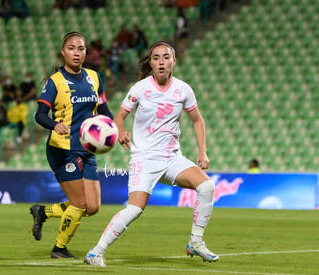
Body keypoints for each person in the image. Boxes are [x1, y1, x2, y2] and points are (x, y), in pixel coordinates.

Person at [84, 41, 219, 266]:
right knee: (135, 208)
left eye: (166, 57)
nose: (161, 62)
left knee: (206, 186)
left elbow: (197, 119)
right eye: (156, 58)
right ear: (151, 63)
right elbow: (119, 117)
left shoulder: (183, 89)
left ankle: (195, 242)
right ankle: (95, 252)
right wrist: (122, 130)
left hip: (172, 158)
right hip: (144, 159)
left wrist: (202, 151)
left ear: (173, 61)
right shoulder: (140, 88)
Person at [29, 32, 113, 259]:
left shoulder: (94, 77)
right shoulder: (54, 81)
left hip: (87, 149)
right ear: (63, 52)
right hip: (63, 149)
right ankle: (59, 248)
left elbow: (103, 110)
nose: (77, 53)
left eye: (81, 49)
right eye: (72, 48)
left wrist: (117, 129)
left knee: (92, 207)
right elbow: (40, 115)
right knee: (79, 203)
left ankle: (42, 211)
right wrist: (55, 124)